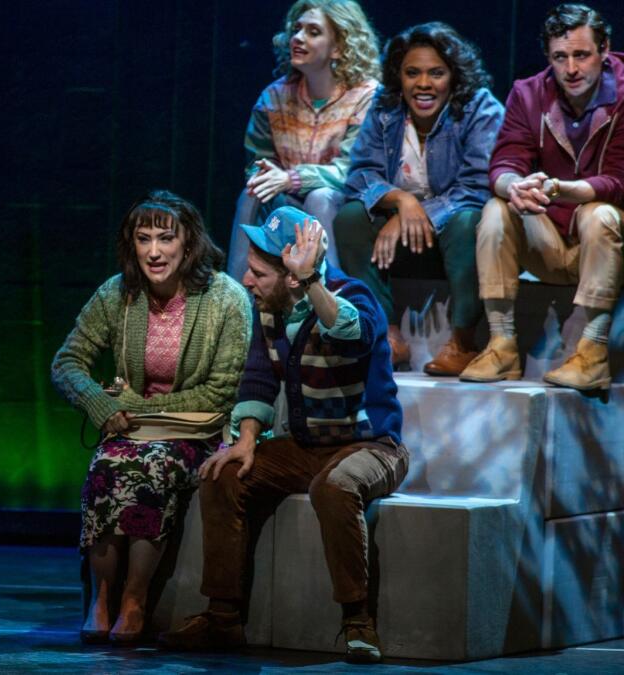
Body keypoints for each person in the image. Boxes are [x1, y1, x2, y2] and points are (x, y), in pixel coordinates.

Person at [159, 205, 408, 664]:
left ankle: (357, 620)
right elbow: (258, 376)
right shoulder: (269, 310)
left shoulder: (352, 295)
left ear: (293, 275)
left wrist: (313, 282)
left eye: (258, 273)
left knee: (334, 488)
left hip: (371, 445)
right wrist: (247, 437)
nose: (247, 282)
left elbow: (351, 332)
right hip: (304, 446)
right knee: (221, 476)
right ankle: (223, 617)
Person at [51, 190, 251, 645]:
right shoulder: (117, 293)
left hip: (193, 432)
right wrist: (101, 405)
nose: (155, 251)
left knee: (149, 467)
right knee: (106, 466)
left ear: (189, 244)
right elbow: (66, 363)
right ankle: (100, 598)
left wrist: (133, 405)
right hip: (127, 430)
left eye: (166, 238)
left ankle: (135, 600)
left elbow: (221, 391)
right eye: (144, 239)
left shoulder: (226, 298)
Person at [460, 3, 624, 390]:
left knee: (598, 213)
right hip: (551, 235)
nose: (571, 69)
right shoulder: (528, 93)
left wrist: (567, 190)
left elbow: (618, 179)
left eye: (582, 55)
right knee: (497, 208)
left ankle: (592, 351)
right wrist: (514, 185)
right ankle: (501, 346)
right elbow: (503, 161)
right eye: (560, 57)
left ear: (604, 49)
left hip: (607, 239)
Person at [335, 23, 504, 372]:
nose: (423, 84)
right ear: (400, 76)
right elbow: (360, 174)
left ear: (454, 77)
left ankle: (462, 340)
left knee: (469, 219)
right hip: (401, 239)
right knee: (350, 217)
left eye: (436, 73)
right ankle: (387, 335)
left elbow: (476, 184)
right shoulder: (385, 107)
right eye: (413, 73)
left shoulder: (479, 108)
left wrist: (415, 213)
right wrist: (400, 200)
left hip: (454, 232)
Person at [225, 0, 381, 281]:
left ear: (339, 47)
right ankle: (236, 302)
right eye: (296, 29)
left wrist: (292, 179)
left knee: (319, 198)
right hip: (289, 199)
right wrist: (266, 176)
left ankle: (332, 300)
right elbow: (257, 161)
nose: (298, 38)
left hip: (346, 204)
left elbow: (353, 169)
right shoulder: (274, 98)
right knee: (252, 193)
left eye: (313, 32)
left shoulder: (365, 96)